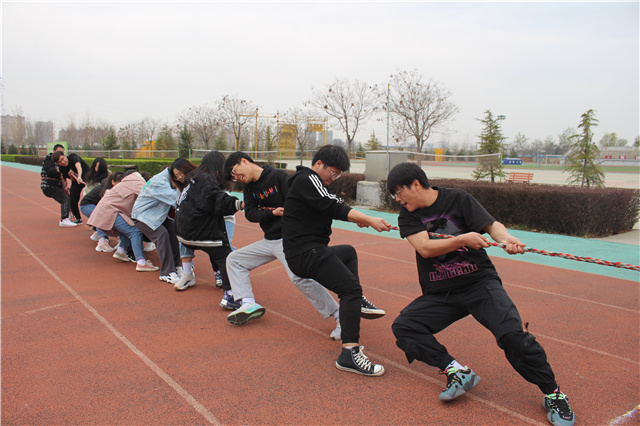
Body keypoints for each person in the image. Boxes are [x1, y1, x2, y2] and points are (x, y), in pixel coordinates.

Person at [386, 162, 575, 426]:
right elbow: (425, 248)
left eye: (398, 192)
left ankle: (554, 394)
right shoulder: (407, 215)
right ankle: (457, 372)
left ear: (415, 184)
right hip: (441, 292)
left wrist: (507, 239)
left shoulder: (458, 198)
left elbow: (491, 225)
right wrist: (463, 239)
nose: (398, 199)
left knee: (513, 337)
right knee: (405, 326)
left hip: (479, 284)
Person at [222, 151, 385, 339]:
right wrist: (271, 213)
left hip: (290, 239)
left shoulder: (279, 177)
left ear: (244, 161)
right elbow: (250, 213)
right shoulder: (249, 187)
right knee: (234, 259)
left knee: (301, 277)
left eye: (235, 172)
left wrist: (357, 218)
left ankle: (339, 314)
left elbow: (310, 203)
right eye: (234, 178)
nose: (237, 178)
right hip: (270, 240)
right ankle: (248, 303)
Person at [282, 144, 392, 377]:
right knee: (350, 288)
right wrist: (369, 219)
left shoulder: (313, 184)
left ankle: (358, 302)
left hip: (308, 251)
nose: (334, 177)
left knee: (348, 252)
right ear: (319, 164)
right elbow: (334, 206)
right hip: (306, 252)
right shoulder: (307, 179)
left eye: (339, 174)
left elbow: (330, 208)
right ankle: (349, 353)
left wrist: (359, 219)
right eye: (333, 172)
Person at [173, 152, 244, 309]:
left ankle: (192, 275)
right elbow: (217, 200)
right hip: (197, 231)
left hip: (183, 233)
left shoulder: (193, 178)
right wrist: (241, 205)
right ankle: (231, 295)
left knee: (218, 245)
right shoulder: (206, 179)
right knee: (226, 254)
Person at [132, 159, 194, 284]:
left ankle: (177, 266)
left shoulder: (170, 180)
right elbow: (176, 200)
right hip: (142, 216)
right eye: (178, 176)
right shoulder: (159, 182)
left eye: (181, 175)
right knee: (162, 235)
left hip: (157, 215)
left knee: (172, 230)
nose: (180, 178)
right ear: (172, 174)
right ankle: (166, 272)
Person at [87, 170, 158, 272]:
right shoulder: (138, 182)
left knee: (130, 227)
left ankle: (120, 251)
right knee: (135, 231)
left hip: (108, 210)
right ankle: (141, 263)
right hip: (110, 211)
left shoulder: (128, 181)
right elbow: (150, 196)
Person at [80, 171, 125, 252]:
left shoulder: (115, 188)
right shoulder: (107, 190)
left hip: (95, 206)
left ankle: (97, 234)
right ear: (113, 181)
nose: (121, 184)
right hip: (86, 205)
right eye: (119, 182)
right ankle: (101, 243)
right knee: (101, 217)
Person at [40, 144, 76, 227]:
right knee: (65, 199)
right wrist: (59, 171)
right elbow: (49, 170)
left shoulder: (61, 163)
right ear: (53, 152)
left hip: (56, 185)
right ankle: (64, 219)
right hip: (49, 185)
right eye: (58, 152)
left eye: (62, 153)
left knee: (67, 198)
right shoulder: (50, 159)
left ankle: (68, 215)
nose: (59, 155)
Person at [53, 150, 90, 224]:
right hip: (77, 182)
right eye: (60, 162)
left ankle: (96, 219)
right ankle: (78, 218)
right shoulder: (62, 169)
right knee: (72, 199)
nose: (63, 162)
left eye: (62, 159)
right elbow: (71, 179)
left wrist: (79, 176)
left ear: (65, 156)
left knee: (91, 198)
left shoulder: (73, 157)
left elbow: (78, 166)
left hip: (88, 178)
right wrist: (71, 176)